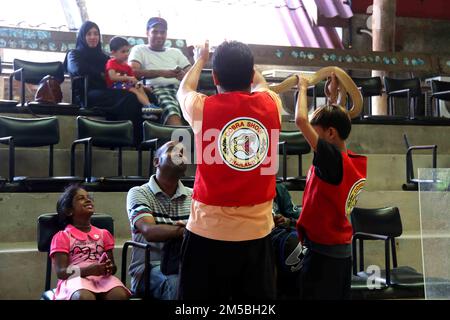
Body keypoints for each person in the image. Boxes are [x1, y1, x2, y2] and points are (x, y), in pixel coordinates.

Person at [176, 40, 282, 300]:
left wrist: (201, 58)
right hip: (256, 235)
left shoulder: (202, 107)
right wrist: (249, 69)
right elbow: (261, 84)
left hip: (206, 232)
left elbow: (184, 88)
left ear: (214, 76)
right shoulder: (272, 104)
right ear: (250, 73)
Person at [294, 74, 367, 300]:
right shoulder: (349, 160)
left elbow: (300, 121)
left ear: (330, 133)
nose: (312, 139)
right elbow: (333, 121)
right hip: (340, 254)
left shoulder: (330, 159)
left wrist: (303, 87)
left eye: (316, 134)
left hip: (323, 256)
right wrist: (333, 96)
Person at [65, 21, 150, 145]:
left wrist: (136, 84)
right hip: (87, 94)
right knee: (129, 97)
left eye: (96, 34)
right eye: (89, 34)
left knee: (146, 96)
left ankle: (146, 141)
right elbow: (78, 69)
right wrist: (102, 74)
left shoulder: (104, 57)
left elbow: (118, 74)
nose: (93, 37)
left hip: (108, 90)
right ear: (82, 36)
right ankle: (131, 140)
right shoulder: (74, 54)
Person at [126, 141, 191, 299]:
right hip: (149, 268)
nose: (180, 154)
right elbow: (149, 231)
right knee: (177, 284)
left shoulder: (194, 195)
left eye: (183, 152)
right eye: (172, 150)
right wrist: (187, 230)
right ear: (156, 162)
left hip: (187, 264)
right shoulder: (139, 193)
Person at [50, 184, 130, 300]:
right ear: (69, 211)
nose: (87, 199)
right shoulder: (63, 236)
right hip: (75, 280)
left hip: (101, 279)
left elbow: (112, 268)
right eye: (81, 198)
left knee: (120, 295)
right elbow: (61, 272)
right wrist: (89, 270)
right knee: (84, 297)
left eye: (88, 197)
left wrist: (108, 267)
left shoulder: (104, 234)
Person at [129, 17, 191, 126]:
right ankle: (180, 141)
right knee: (171, 109)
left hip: (182, 89)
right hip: (157, 89)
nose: (159, 35)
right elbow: (133, 71)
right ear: (147, 33)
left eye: (162, 32)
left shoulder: (175, 52)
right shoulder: (139, 49)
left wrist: (184, 75)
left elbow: (191, 72)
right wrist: (161, 73)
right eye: (155, 31)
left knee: (203, 107)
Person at [106, 36, 162, 120]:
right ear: (113, 53)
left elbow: (134, 80)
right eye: (123, 51)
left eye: (127, 51)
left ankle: (147, 107)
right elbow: (112, 77)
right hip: (114, 86)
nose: (126, 54)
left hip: (125, 85)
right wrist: (128, 78)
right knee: (134, 90)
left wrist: (144, 87)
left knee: (138, 87)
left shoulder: (127, 67)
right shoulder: (111, 63)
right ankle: (148, 106)